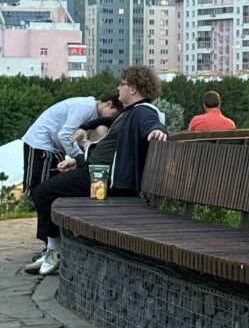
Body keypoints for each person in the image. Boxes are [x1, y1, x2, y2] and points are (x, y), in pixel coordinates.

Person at [25, 66, 168, 277]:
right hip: (96, 172)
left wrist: (157, 130)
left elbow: (152, 122)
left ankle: (54, 251)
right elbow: (105, 139)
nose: (118, 88)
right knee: (48, 191)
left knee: (43, 193)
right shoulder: (129, 112)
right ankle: (53, 250)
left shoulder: (143, 112)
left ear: (133, 88)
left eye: (122, 84)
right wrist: (77, 160)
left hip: (105, 179)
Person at [22, 93, 122, 197]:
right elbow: (64, 135)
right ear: (109, 104)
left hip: (55, 147)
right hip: (40, 144)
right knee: (37, 187)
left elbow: (74, 136)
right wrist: (81, 158)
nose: (111, 118)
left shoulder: (91, 109)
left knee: (53, 186)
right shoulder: (84, 107)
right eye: (114, 114)